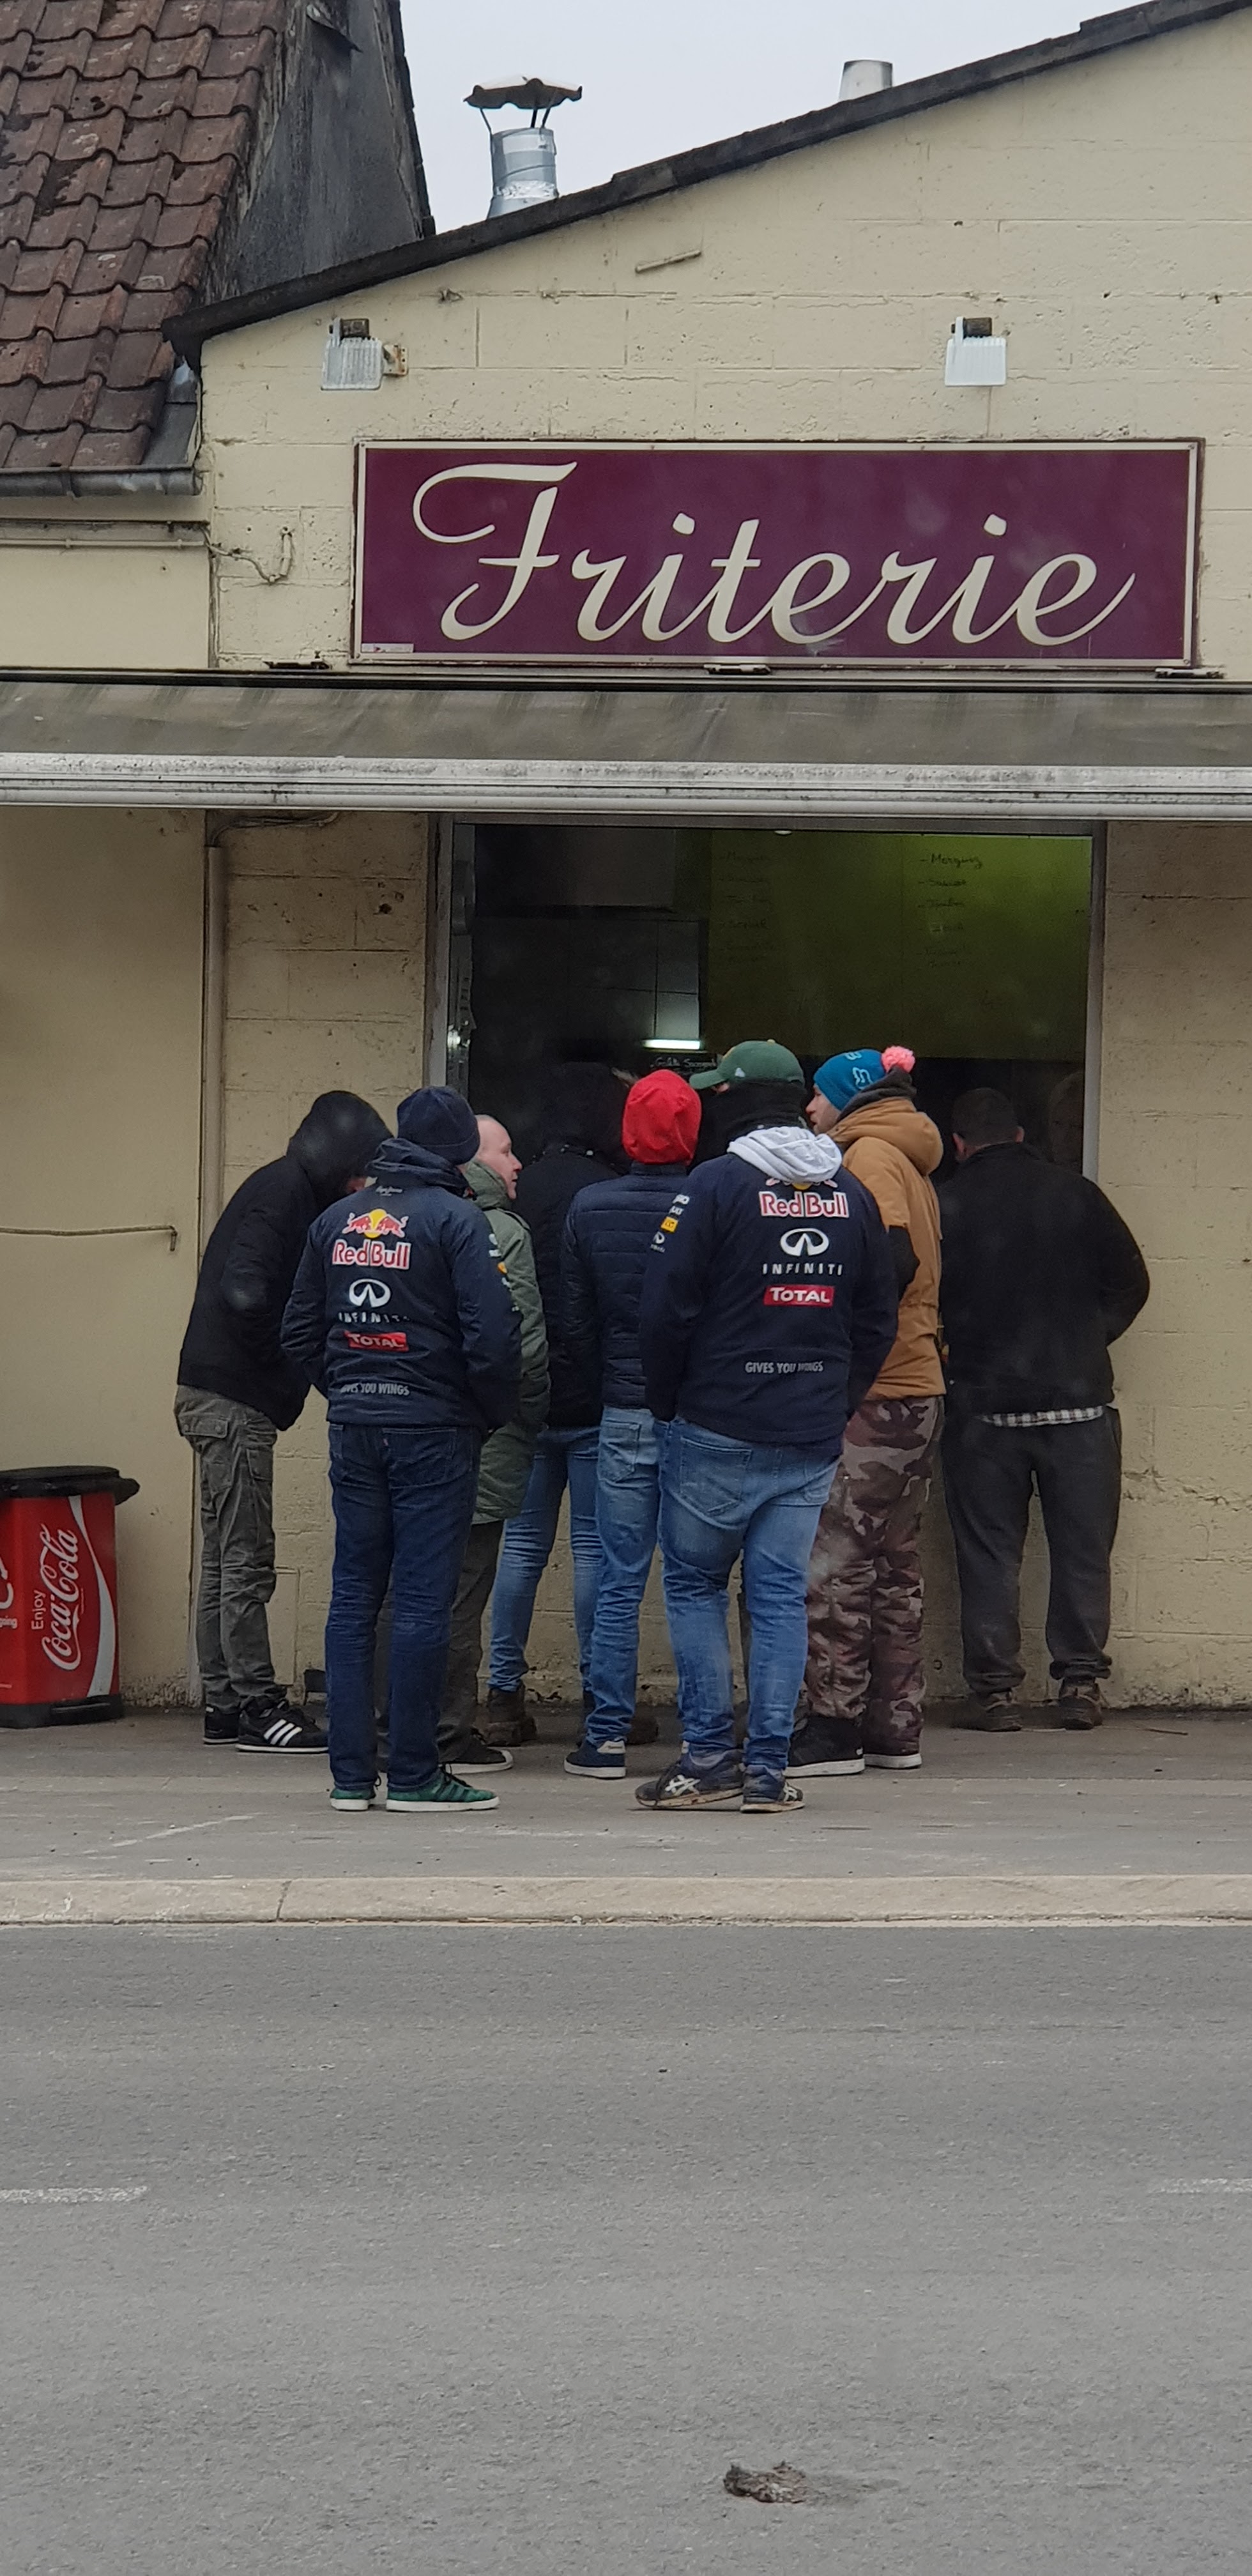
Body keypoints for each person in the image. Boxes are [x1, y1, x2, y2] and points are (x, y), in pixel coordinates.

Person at [636, 1039, 899, 1813]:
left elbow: (664, 1308)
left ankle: (708, 1759)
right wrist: (836, 1398)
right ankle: (767, 1772)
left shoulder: (713, 1186)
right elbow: (878, 1315)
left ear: (737, 1102)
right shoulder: (850, 1193)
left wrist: (667, 1401)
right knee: (779, 1596)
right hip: (807, 1432)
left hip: (715, 1423)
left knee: (695, 1588)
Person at [280, 1087, 520, 1813]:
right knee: (422, 1602)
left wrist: (351, 1388)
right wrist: (483, 1414)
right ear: (458, 1151)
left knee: (354, 1596)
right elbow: (493, 1339)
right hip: (434, 1431)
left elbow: (299, 1332)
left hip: (356, 1426)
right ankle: (416, 1773)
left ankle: (351, 1777)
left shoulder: (335, 1220)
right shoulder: (457, 1221)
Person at [176, 1091, 388, 1753]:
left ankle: (224, 1701)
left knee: (222, 1557)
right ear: (340, 1162)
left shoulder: (283, 1185)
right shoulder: (286, 1193)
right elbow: (248, 1293)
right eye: (360, 1173)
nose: (361, 1188)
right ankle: (257, 1704)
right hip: (234, 1400)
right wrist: (291, 1359)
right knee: (246, 1558)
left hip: (212, 1393)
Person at [938, 1085, 1150, 1730]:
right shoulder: (1078, 1195)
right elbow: (1132, 1282)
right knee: (1082, 1552)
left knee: (989, 1554)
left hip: (983, 1412)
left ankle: (995, 1694)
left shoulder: (945, 1203)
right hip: (1078, 1408)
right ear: (1021, 1136)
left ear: (958, 1145)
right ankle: (1080, 1685)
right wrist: (1087, 1340)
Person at [788, 1045, 945, 1779]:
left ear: (849, 1098)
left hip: (880, 1389)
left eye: (819, 1095)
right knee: (893, 1564)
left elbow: (892, 1259)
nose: (809, 1108)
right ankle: (893, 1727)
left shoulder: (870, 1156)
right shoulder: (906, 1153)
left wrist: (840, 1339)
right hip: (916, 1385)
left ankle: (833, 1725)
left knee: (836, 1562)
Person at [559, 1068, 702, 1778]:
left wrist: (610, 1382)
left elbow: (576, 1321)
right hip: (695, 1415)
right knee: (693, 1581)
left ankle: (606, 1735)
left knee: (619, 1576)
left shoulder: (589, 1207)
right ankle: (703, 1737)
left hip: (621, 1409)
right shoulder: (709, 1200)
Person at [484, 1061, 624, 1745]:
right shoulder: (609, 1192)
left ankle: (501, 1695)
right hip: (595, 1398)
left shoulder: (522, 1188)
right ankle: (601, 1699)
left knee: (519, 1549)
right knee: (594, 1551)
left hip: (524, 1398)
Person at [436, 1116, 549, 1773]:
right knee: (462, 1590)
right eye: (505, 1152)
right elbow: (522, 1346)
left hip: (406, 1432)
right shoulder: (500, 1232)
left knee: (400, 1584)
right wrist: (524, 1416)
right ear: (471, 1162)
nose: (517, 1164)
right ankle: (447, 1731)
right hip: (482, 1435)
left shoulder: (395, 1220)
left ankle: (387, 1721)